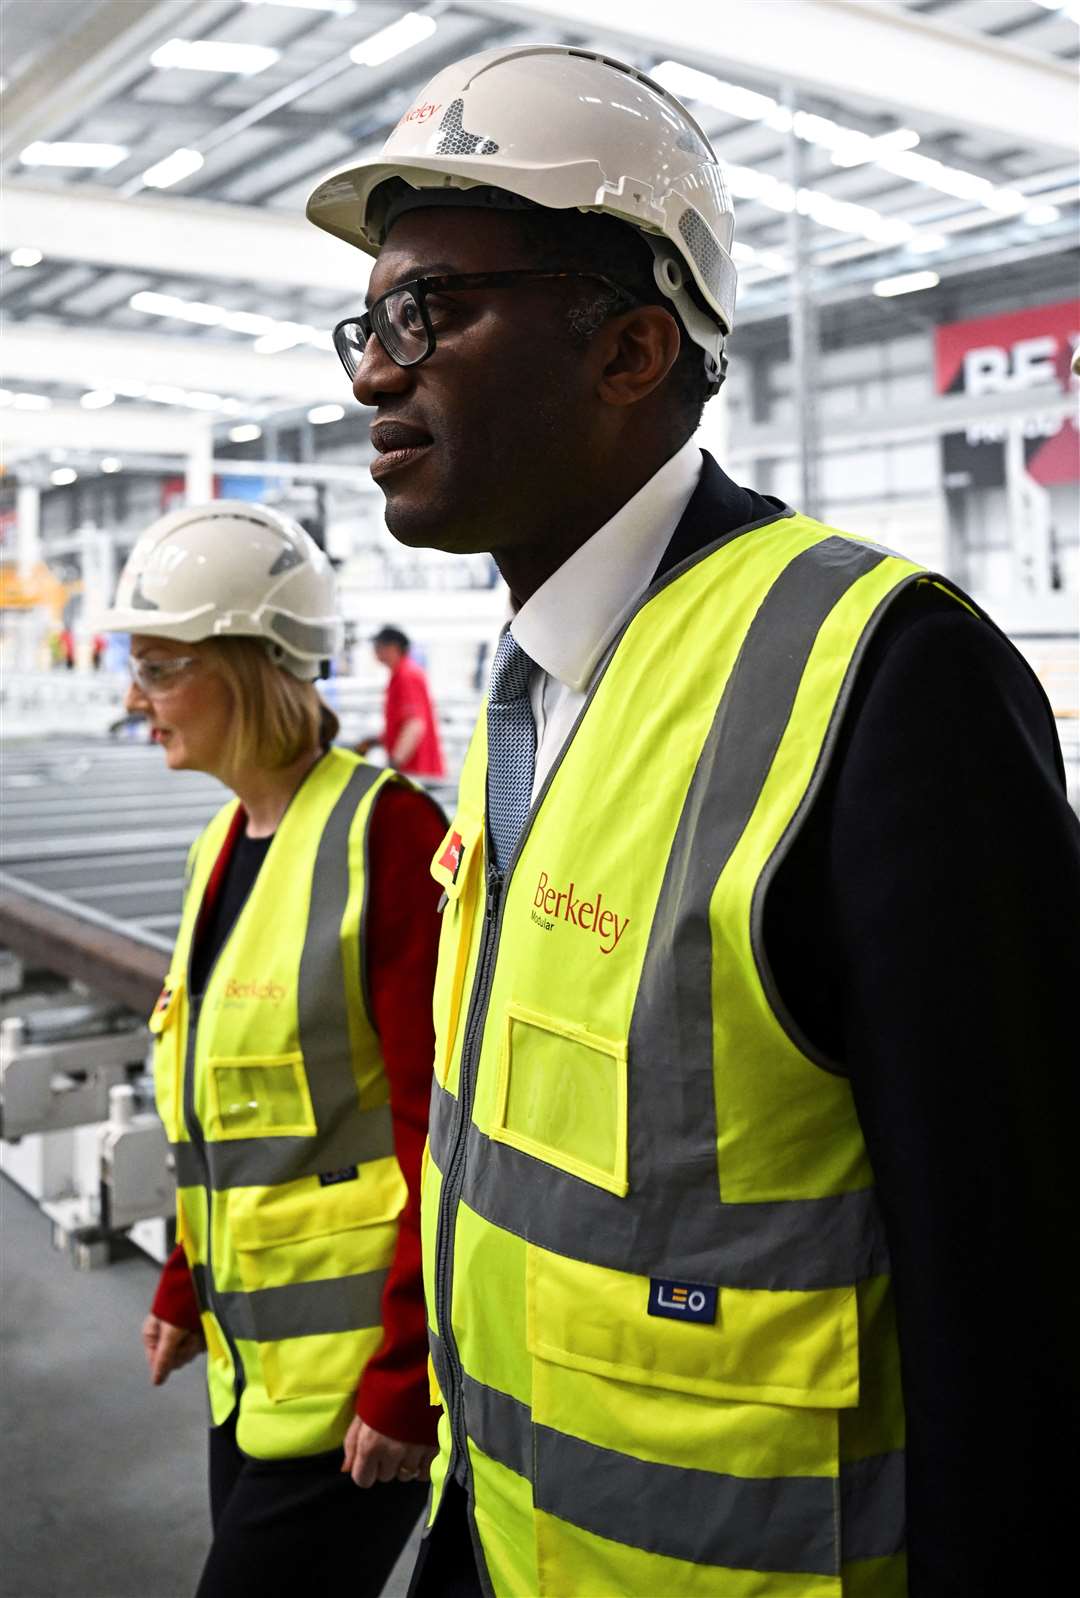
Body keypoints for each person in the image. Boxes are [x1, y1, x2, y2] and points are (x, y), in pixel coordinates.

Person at [305, 45, 1080, 1598]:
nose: (374, 373)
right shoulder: (528, 683)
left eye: (429, 312)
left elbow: (1023, 1306)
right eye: (366, 323)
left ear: (632, 350)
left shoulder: (885, 680)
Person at [98, 502, 445, 1598]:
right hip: (253, 1377)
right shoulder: (223, 841)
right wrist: (182, 1282)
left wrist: (405, 1377)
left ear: (251, 666)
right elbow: (225, 1123)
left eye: (159, 666)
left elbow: (446, 1134)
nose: (132, 698)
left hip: (354, 1393)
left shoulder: (388, 838)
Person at [358, 625, 446, 778]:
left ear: (393, 647)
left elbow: (414, 725)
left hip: (417, 771)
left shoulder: (406, 675)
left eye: (379, 645)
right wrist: (376, 741)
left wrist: (393, 765)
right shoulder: (401, 674)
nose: (375, 651)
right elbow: (402, 722)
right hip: (414, 770)